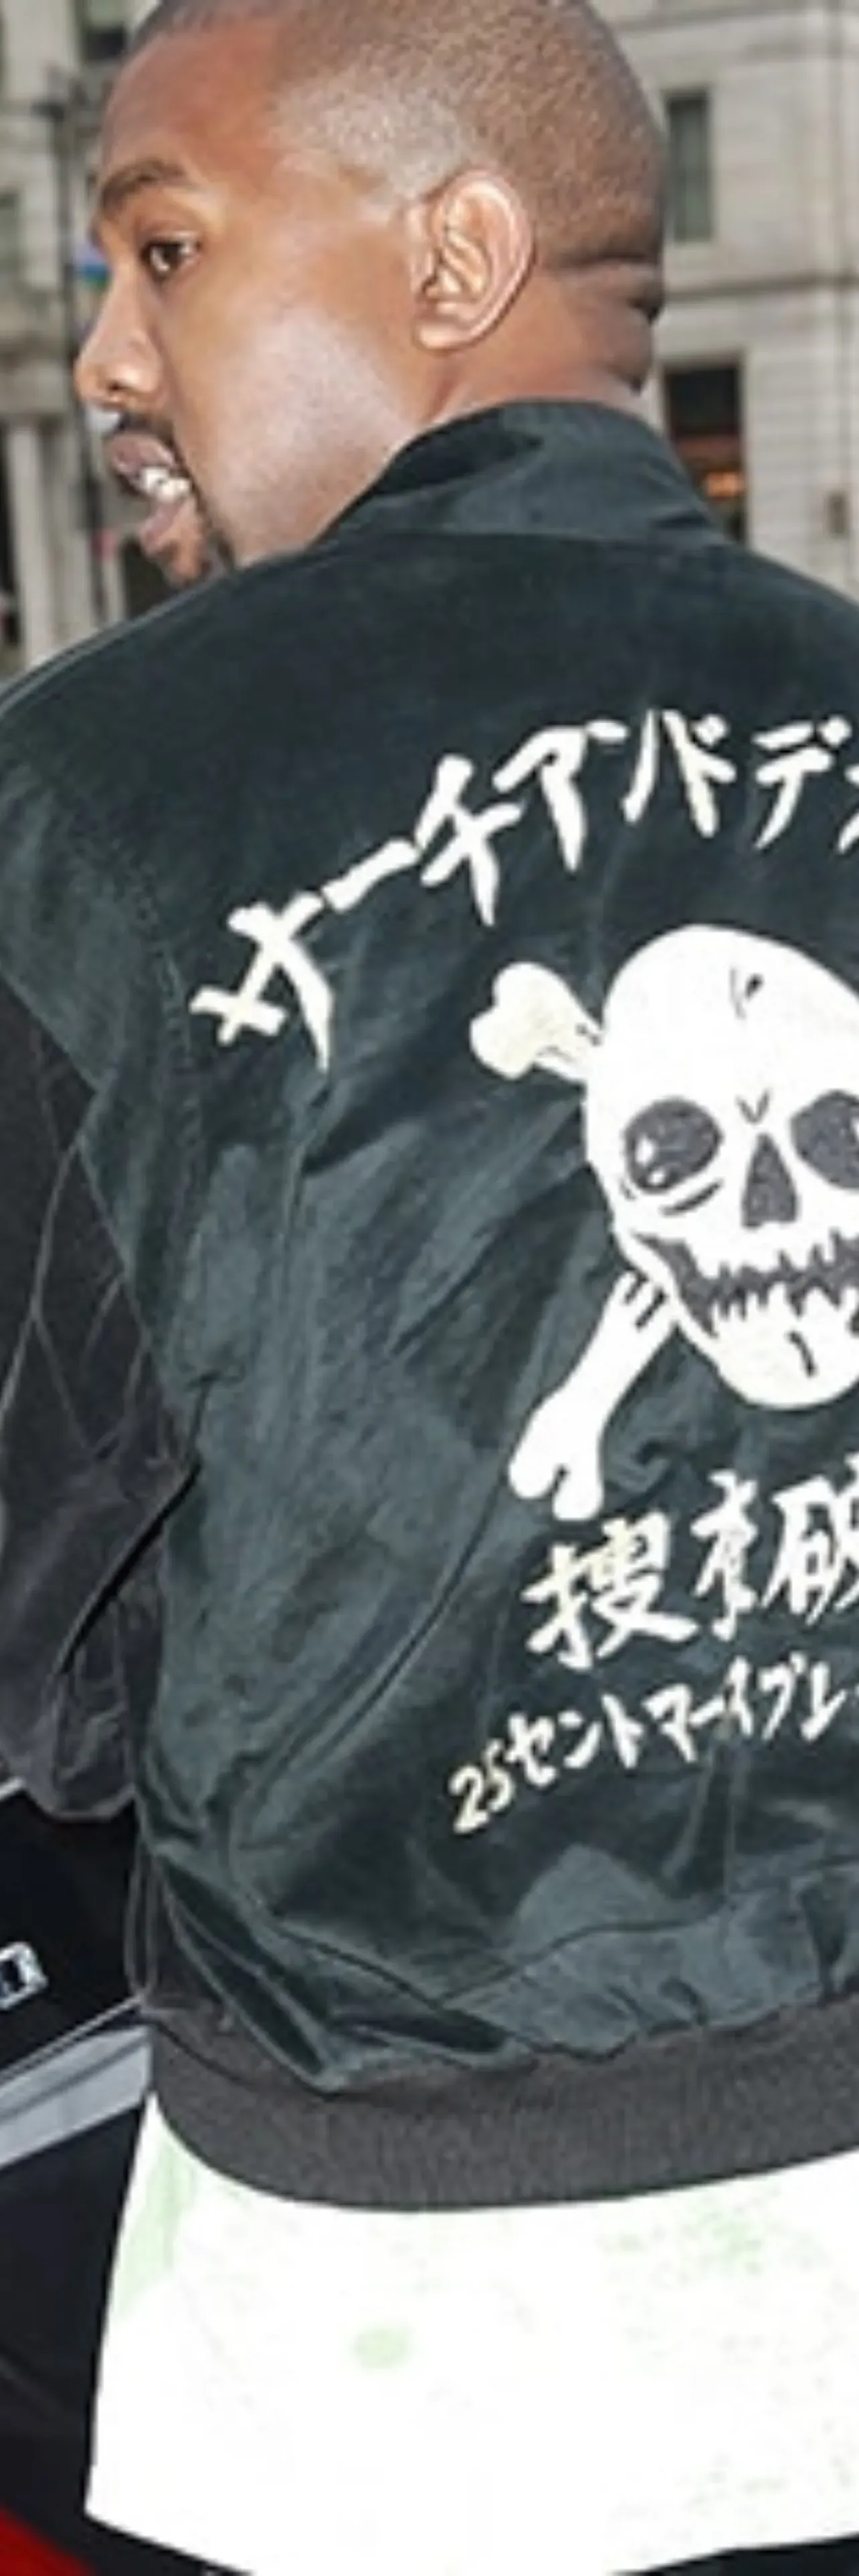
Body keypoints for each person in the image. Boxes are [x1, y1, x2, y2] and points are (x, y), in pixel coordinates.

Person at [3, 1, 859, 2571]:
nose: (108, 358)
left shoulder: (91, 815)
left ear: (455, 255)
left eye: (165, 250)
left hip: (404, 2329)